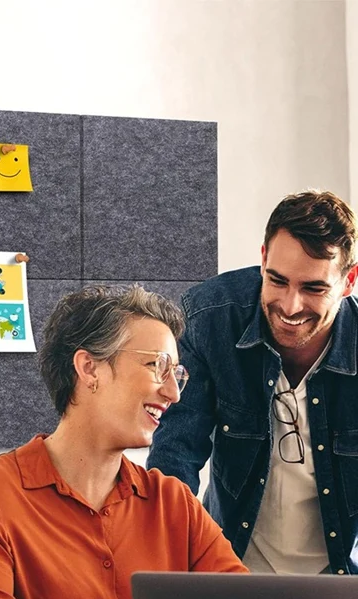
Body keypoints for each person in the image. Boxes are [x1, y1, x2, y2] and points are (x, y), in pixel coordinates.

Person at [0, 286, 248, 599]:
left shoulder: (172, 502)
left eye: (178, 374)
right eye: (157, 366)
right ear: (89, 369)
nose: (173, 392)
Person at [147, 191, 358, 575]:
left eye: (314, 288)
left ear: (349, 281)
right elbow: (175, 454)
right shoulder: (211, 317)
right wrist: (169, 570)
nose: (290, 306)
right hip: (232, 569)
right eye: (277, 280)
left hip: (340, 583)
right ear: (262, 259)